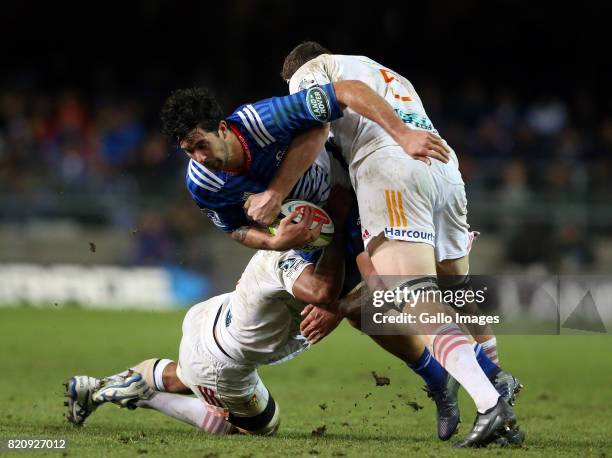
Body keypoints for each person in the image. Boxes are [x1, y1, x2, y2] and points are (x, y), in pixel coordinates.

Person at [243, 42, 523, 447]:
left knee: (412, 296)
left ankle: (489, 401)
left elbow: (338, 102)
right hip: (442, 165)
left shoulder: (311, 72)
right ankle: (494, 375)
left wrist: (276, 191)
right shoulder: (387, 72)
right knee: (455, 288)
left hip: (391, 164)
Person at [64, 187, 459, 437]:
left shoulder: (318, 249)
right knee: (254, 426)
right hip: (224, 362)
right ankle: (142, 396)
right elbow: (323, 291)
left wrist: (341, 302)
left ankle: (96, 387)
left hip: (212, 322)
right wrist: (336, 235)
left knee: (186, 373)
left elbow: (369, 289)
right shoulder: (285, 261)